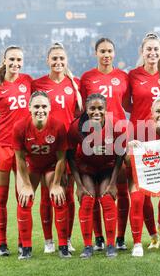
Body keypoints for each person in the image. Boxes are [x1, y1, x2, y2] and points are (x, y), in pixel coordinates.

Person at [0, 45, 33, 256]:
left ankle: (23, 242)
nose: (15, 63)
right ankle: (2, 244)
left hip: (23, 148)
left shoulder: (28, 81)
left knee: (23, 195)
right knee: (0, 197)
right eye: (12, 59)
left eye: (19, 60)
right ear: (4, 60)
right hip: (0, 146)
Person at [80, 38, 131, 251]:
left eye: (110, 51)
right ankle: (99, 237)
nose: (106, 54)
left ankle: (119, 237)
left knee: (120, 189)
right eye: (102, 51)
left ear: (114, 53)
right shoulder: (87, 77)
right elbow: (82, 108)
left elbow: (129, 104)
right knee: (95, 189)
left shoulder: (123, 77)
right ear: (96, 53)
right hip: (94, 137)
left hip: (119, 135)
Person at [32, 43, 82, 254]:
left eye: (61, 58)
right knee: (47, 194)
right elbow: (25, 108)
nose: (58, 62)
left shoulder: (75, 83)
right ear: (47, 60)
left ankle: (67, 238)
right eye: (54, 58)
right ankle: (48, 241)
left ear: (66, 60)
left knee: (68, 194)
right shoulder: (38, 84)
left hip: (69, 145)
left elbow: (83, 112)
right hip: (46, 145)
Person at [125, 32, 160, 249]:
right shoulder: (132, 75)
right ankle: (152, 234)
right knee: (140, 192)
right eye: (148, 49)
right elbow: (127, 104)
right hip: (139, 138)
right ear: (142, 52)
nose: (152, 53)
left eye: (156, 49)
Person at [67, 93, 125, 259]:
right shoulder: (76, 126)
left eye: (100, 108)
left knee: (107, 198)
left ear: (106, 109)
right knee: (87, 199)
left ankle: (111, 245)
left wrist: (113, 183)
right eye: (92, 108)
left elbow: (120, 156)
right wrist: (79, 185)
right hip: (87, 168)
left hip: (107, 167)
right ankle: (87, 246)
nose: (96, 112)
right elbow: (70, 156)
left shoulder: (116, 125)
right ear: (86, 109)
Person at [12, 91, 69, 259]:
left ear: (50, 108)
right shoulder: (20, 127)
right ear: (29, 108)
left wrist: (57, 183)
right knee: (24, 199)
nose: (40, 110)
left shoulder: (58, 126)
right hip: (32, 167)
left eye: (44, 106)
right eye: (36, 106)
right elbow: (20, 159)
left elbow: (61, 159)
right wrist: (27, 185)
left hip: (51, 166)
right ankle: (26, 248)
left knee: (58, 197)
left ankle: (63, 246)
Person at [126, 94, 160, 257]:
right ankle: (137, 244)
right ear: (151, 113)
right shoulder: (140, 129)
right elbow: (127, 162)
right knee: (137, 199)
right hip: (143, 176)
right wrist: (130, 149)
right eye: (158, 111)